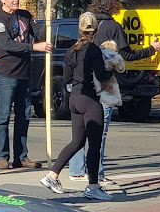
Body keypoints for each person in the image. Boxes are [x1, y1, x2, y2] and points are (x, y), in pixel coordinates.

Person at [68, 0, 160, 183]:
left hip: (81, 85)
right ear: (113, 4)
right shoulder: (113, 27)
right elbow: (126, 55)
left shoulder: (88, 24)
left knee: (81, 132)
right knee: (100, 131)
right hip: (104, 84)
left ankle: (77, 169)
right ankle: (97, 173)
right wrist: (151, 49)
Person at [40, 12, 114, 200]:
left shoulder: (71, 50)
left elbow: (66, 78)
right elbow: (102, 76)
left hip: (74, 99)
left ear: (79, 29)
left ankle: (52, 175)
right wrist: (111, 66)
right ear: (95, 31)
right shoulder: (94, 50)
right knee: (94, 146)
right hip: (89, 100)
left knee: (77, 142)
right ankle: (93, 187)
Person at [0, 0, 52, 170]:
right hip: (6, 73)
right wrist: (33, 47)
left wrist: (47, 21)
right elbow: (6, 44)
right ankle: (2, 157)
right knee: (3, 116)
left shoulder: (25, 15)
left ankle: (21, 157)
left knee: (24, 116)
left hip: (25, 73)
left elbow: (39, 34)